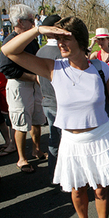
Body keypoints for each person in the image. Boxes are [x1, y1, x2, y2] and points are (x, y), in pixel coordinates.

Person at [1, 16, 109, 218]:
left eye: (66, 38)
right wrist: (38, 30)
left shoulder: (100, 68)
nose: (60, 44)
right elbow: (9, 51)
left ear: (82, 41)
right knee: (76, 189)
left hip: (100, 137)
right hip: (71, 141)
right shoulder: (53, 67)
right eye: (57, 38)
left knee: (100, 188)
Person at [0, 4, 46, 173]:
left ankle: (36, 149)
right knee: (21, 123)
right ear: (19, 22)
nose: (33, 23)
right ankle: (22, 159)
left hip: (34, 85)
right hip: (19, 86)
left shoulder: (30, 40)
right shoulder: (10, 41)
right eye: (30, 20)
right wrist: (33, 77)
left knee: (37, 119)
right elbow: (6, 69)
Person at [35, 14, 63, 178]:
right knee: (63, 139)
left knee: (54, 138)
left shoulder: (40, 51)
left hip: (46, 99)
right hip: (58, 102)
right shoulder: (59, 52)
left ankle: (53, 172)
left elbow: (39, 79)